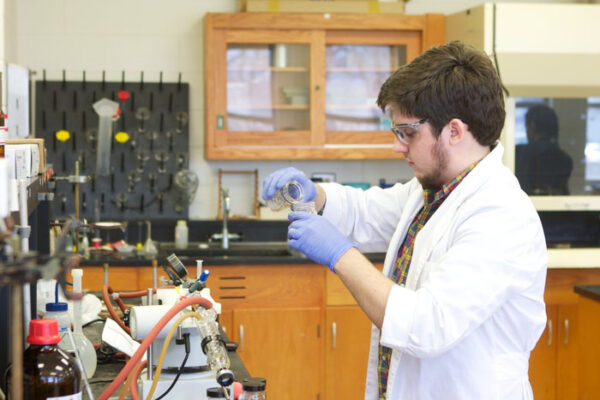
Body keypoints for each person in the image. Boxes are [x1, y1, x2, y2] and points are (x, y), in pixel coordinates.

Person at [262, 41, 548, 400]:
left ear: (455, 131)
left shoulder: (500, 215)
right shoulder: (432, 190)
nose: (398, 146)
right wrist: (315, 195)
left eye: (408, 133)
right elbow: (367, 211)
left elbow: (427, 325)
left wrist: (341, 255)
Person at [515, 104, 573, 195]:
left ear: (532, 125)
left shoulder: (518, 154)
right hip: (558, 207)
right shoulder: (565, 159)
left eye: (526, 126)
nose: (526, 131)